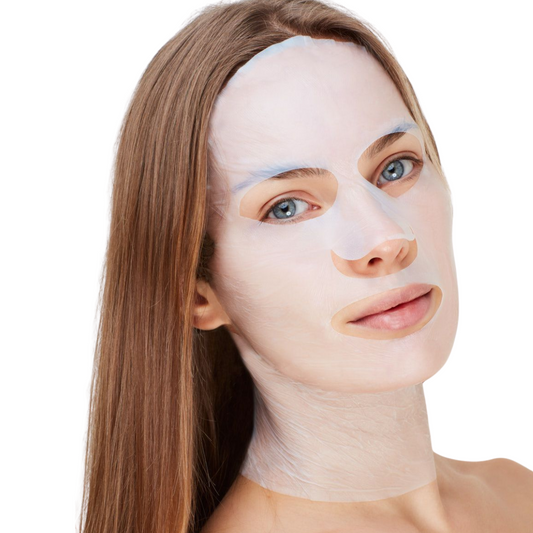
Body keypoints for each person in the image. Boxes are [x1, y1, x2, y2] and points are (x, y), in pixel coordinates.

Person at [78, 1, 533, 532]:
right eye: (288, 207)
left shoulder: (518, 491)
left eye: (395, 167)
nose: (386, 239)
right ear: (198, 293)